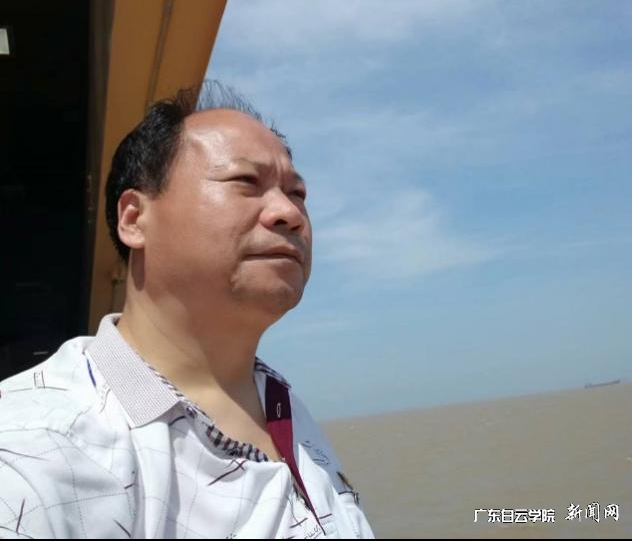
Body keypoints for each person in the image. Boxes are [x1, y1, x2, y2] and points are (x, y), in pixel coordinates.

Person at [0, 81, 375, 539]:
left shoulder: (284, 406)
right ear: (134, 219)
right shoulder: (37, 448)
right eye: (246, 182)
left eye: (297, 194)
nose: (290, 214)